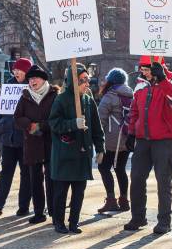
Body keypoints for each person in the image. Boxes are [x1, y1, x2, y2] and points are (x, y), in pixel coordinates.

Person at [124, 56, 172, 234]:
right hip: (143, 139)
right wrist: (131, 132)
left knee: (163, 181)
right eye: (141, 69)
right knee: (136, 178)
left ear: (157, 67)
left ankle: (164, 221)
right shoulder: (141, 83)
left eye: (146, 69)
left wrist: (163, 80)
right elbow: (135, 109)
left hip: (165, 140)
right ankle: (138, 217)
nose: (143, 72)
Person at [48, 63, 104, 234]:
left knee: (79, 192)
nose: (86, 83)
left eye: (87, 79)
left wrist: (100, 148)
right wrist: (73, 124)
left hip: (82, 154)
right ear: (73, 81)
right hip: (65, 154)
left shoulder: (88, 101)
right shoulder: (61, 99)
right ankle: (59, 222)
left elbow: (96, 127)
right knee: (61, 193)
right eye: (82, 80)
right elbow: (54, 123)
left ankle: (74, 222)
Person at [14, 65, 58, 224]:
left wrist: (41, 126)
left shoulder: (54, 94)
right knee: (35, 180)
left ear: (43, 79)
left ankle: (54, 211)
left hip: (51, 143)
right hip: (32, 144)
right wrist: (29, 125)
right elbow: (17, 118)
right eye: (30, 79)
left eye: (35, 78)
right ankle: (39, 212)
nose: (32, 81)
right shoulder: (25, 96)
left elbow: (57, 118)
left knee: (52, 178)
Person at [0, 58, 32, 216]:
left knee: (26, 174)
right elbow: (0, 111)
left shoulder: (32, 88)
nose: (16, 72)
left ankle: (24, 207)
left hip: (25, 139)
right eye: (15, 70)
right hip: (8, 137)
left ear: (27, 71)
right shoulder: (7, 87)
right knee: (6, 173)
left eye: (20, 70)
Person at [96, 68, 134, 213]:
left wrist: (98, 138)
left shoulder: (110, 96)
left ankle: (111, 200)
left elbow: (101, 120)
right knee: (120, 169)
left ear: (112, 80)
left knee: (103, 167)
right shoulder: (131, 94)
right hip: (126, 139)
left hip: (111, 141)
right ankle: (124, 201)